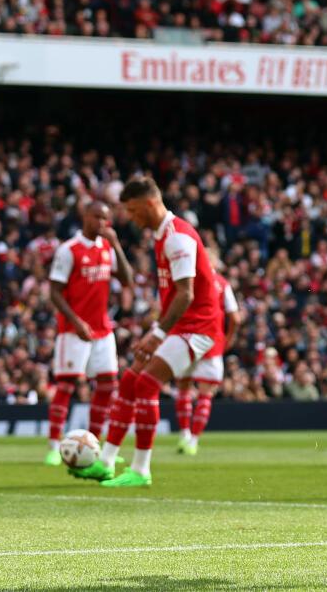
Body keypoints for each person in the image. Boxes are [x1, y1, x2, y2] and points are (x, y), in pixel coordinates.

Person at [93, 177, 223, 488]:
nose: (132, 218)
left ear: (151, 203)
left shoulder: (178, 238)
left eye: (134, 211)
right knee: (130, 381)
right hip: (178, 326)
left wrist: (157, 333)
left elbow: (186, 294)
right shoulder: (162, 236)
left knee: (147, 384)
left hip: (198, 328)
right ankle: (106, 461)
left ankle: (141, 469)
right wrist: (158, 328)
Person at [45, 201, 132, 467]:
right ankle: (52, 444)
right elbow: (55, 292)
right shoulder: (69, 250)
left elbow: (127, 279)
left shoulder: (107, 247)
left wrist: (116, 245)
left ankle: (93, 444)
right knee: (67, 385)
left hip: (103, 329)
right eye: (97, 217)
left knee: (108, 385)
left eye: (106, 219)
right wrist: (77, 322)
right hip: (74, 330)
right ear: (86, 217)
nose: (102, 223)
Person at [175, 256, 241, 455]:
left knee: (184, 389)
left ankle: (184, 433)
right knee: (205, 394)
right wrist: (227, 340)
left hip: (186, 339)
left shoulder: (188, 281)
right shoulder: (222, 283)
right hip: (211, 342)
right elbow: (235, 318)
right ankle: (193, 441)